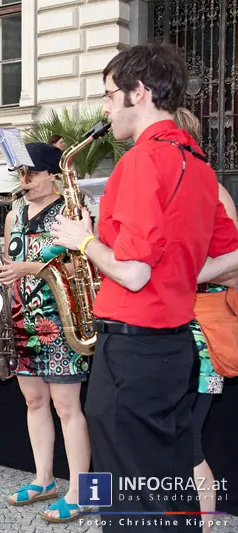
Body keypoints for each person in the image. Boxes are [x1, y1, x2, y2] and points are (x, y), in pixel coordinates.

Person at [50, 43, 238, 532]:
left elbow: (133, 273)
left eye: (111, 95)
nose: (105, 107)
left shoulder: (140, 161)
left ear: (141, 92)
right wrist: (182, 272)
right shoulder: (198, 166)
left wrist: (82, 238)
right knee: (167, 484)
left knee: (128, 499)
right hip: (176, 350)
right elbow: (229, 260)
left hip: (132, 355)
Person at [0, 143, 90, 523]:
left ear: (53, 175)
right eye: (21, 174)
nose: (25, 180)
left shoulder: (72, 211)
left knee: (68, 408)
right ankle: (44, 479)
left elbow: (78, 262)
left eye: (32, 173)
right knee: (34, 402)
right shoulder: (14, 214)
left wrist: (27, 268)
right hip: (20, 319)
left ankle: (80, 491)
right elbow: (6, 260)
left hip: (61, 320)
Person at [174, 107, 238, 533]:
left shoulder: (214, 190)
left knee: (189, 435)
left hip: (207, 339)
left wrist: (190, 273)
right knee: (178, 436)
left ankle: (206, 523)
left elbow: (233, 264)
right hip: (170, 333)